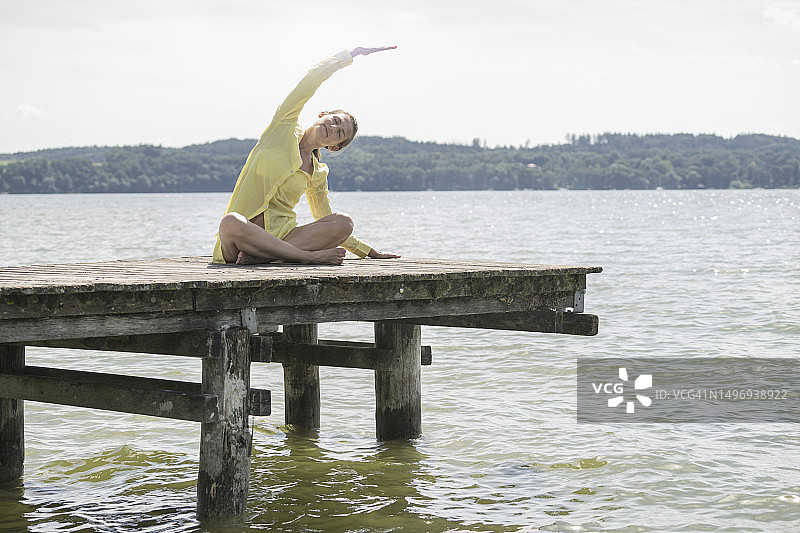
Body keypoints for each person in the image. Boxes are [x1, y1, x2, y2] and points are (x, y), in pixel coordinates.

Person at [213, 46, 400, 265]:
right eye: (335, 120)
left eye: (340, 133)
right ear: (324, 114)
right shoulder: (283, 126)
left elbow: (324, 218)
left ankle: (266, 256)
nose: (333, 127)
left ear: (334, 147)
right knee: (230, 222)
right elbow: (310, 81)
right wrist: (350, 55)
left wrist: (367, 251)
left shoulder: (317, 172)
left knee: (343, 223)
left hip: (285, 238)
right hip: (240, 242)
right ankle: (304, 257)